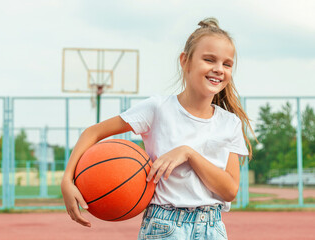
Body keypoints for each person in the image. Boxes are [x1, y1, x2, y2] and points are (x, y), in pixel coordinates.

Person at [61, 17, 256, 239]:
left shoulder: (230, 124)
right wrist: (67, 180)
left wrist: (188, 153)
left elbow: (229, 191)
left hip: (212, 227)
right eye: (209, 60)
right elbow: (92, 132)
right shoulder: (158, 109)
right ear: (185, 61)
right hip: (165, 226)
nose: (219, 69)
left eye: (227, 64)